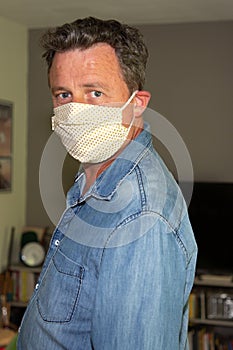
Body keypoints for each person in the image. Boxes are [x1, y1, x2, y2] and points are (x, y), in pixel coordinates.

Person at [17, 17, 197, 349]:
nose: (74, 110)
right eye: (63, 94)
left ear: (137, 103)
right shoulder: (90, 184)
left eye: (95, 92)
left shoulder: (140, 218)